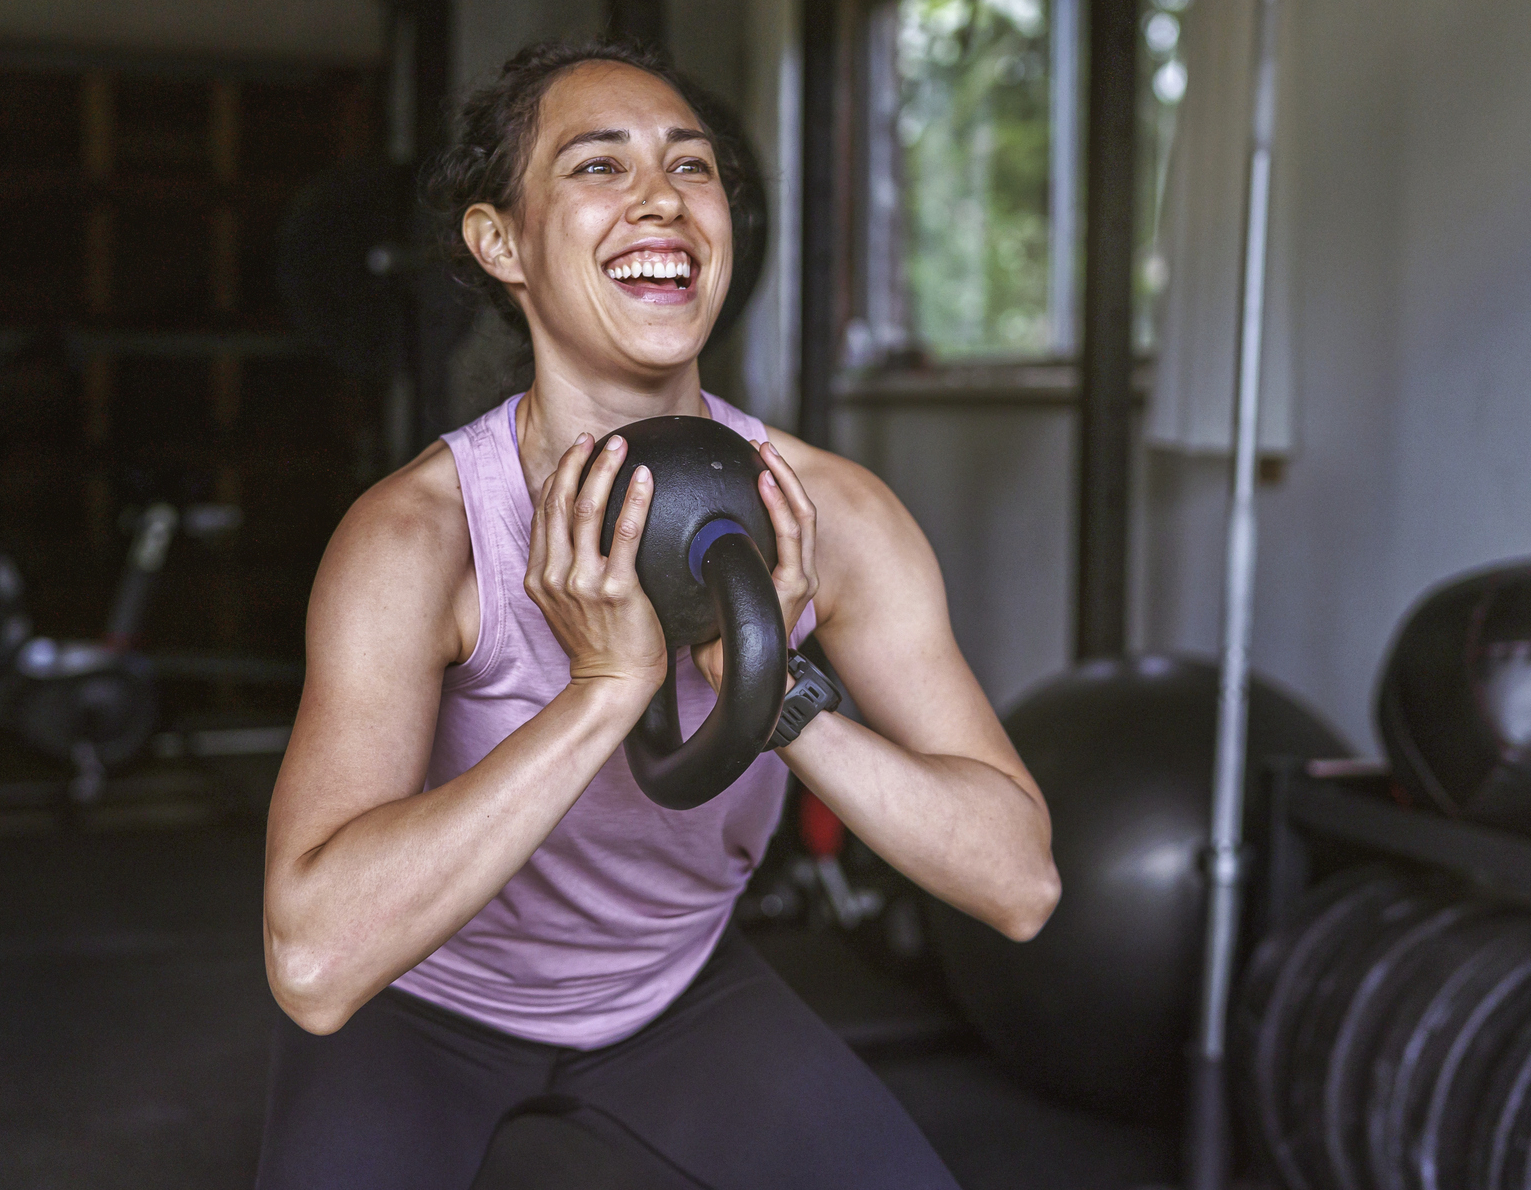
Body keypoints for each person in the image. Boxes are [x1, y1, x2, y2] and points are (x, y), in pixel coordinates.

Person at [256, 40, 1059, 1190]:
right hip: (421, 1004)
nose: (659, 199)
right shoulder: (419, 538)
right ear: (501, 242)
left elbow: (1017, 881)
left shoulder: (828, 514)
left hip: (674, 989)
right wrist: (603, 691)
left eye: (692, 168)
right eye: (597, 166)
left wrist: (772, 689)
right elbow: (316, 957)